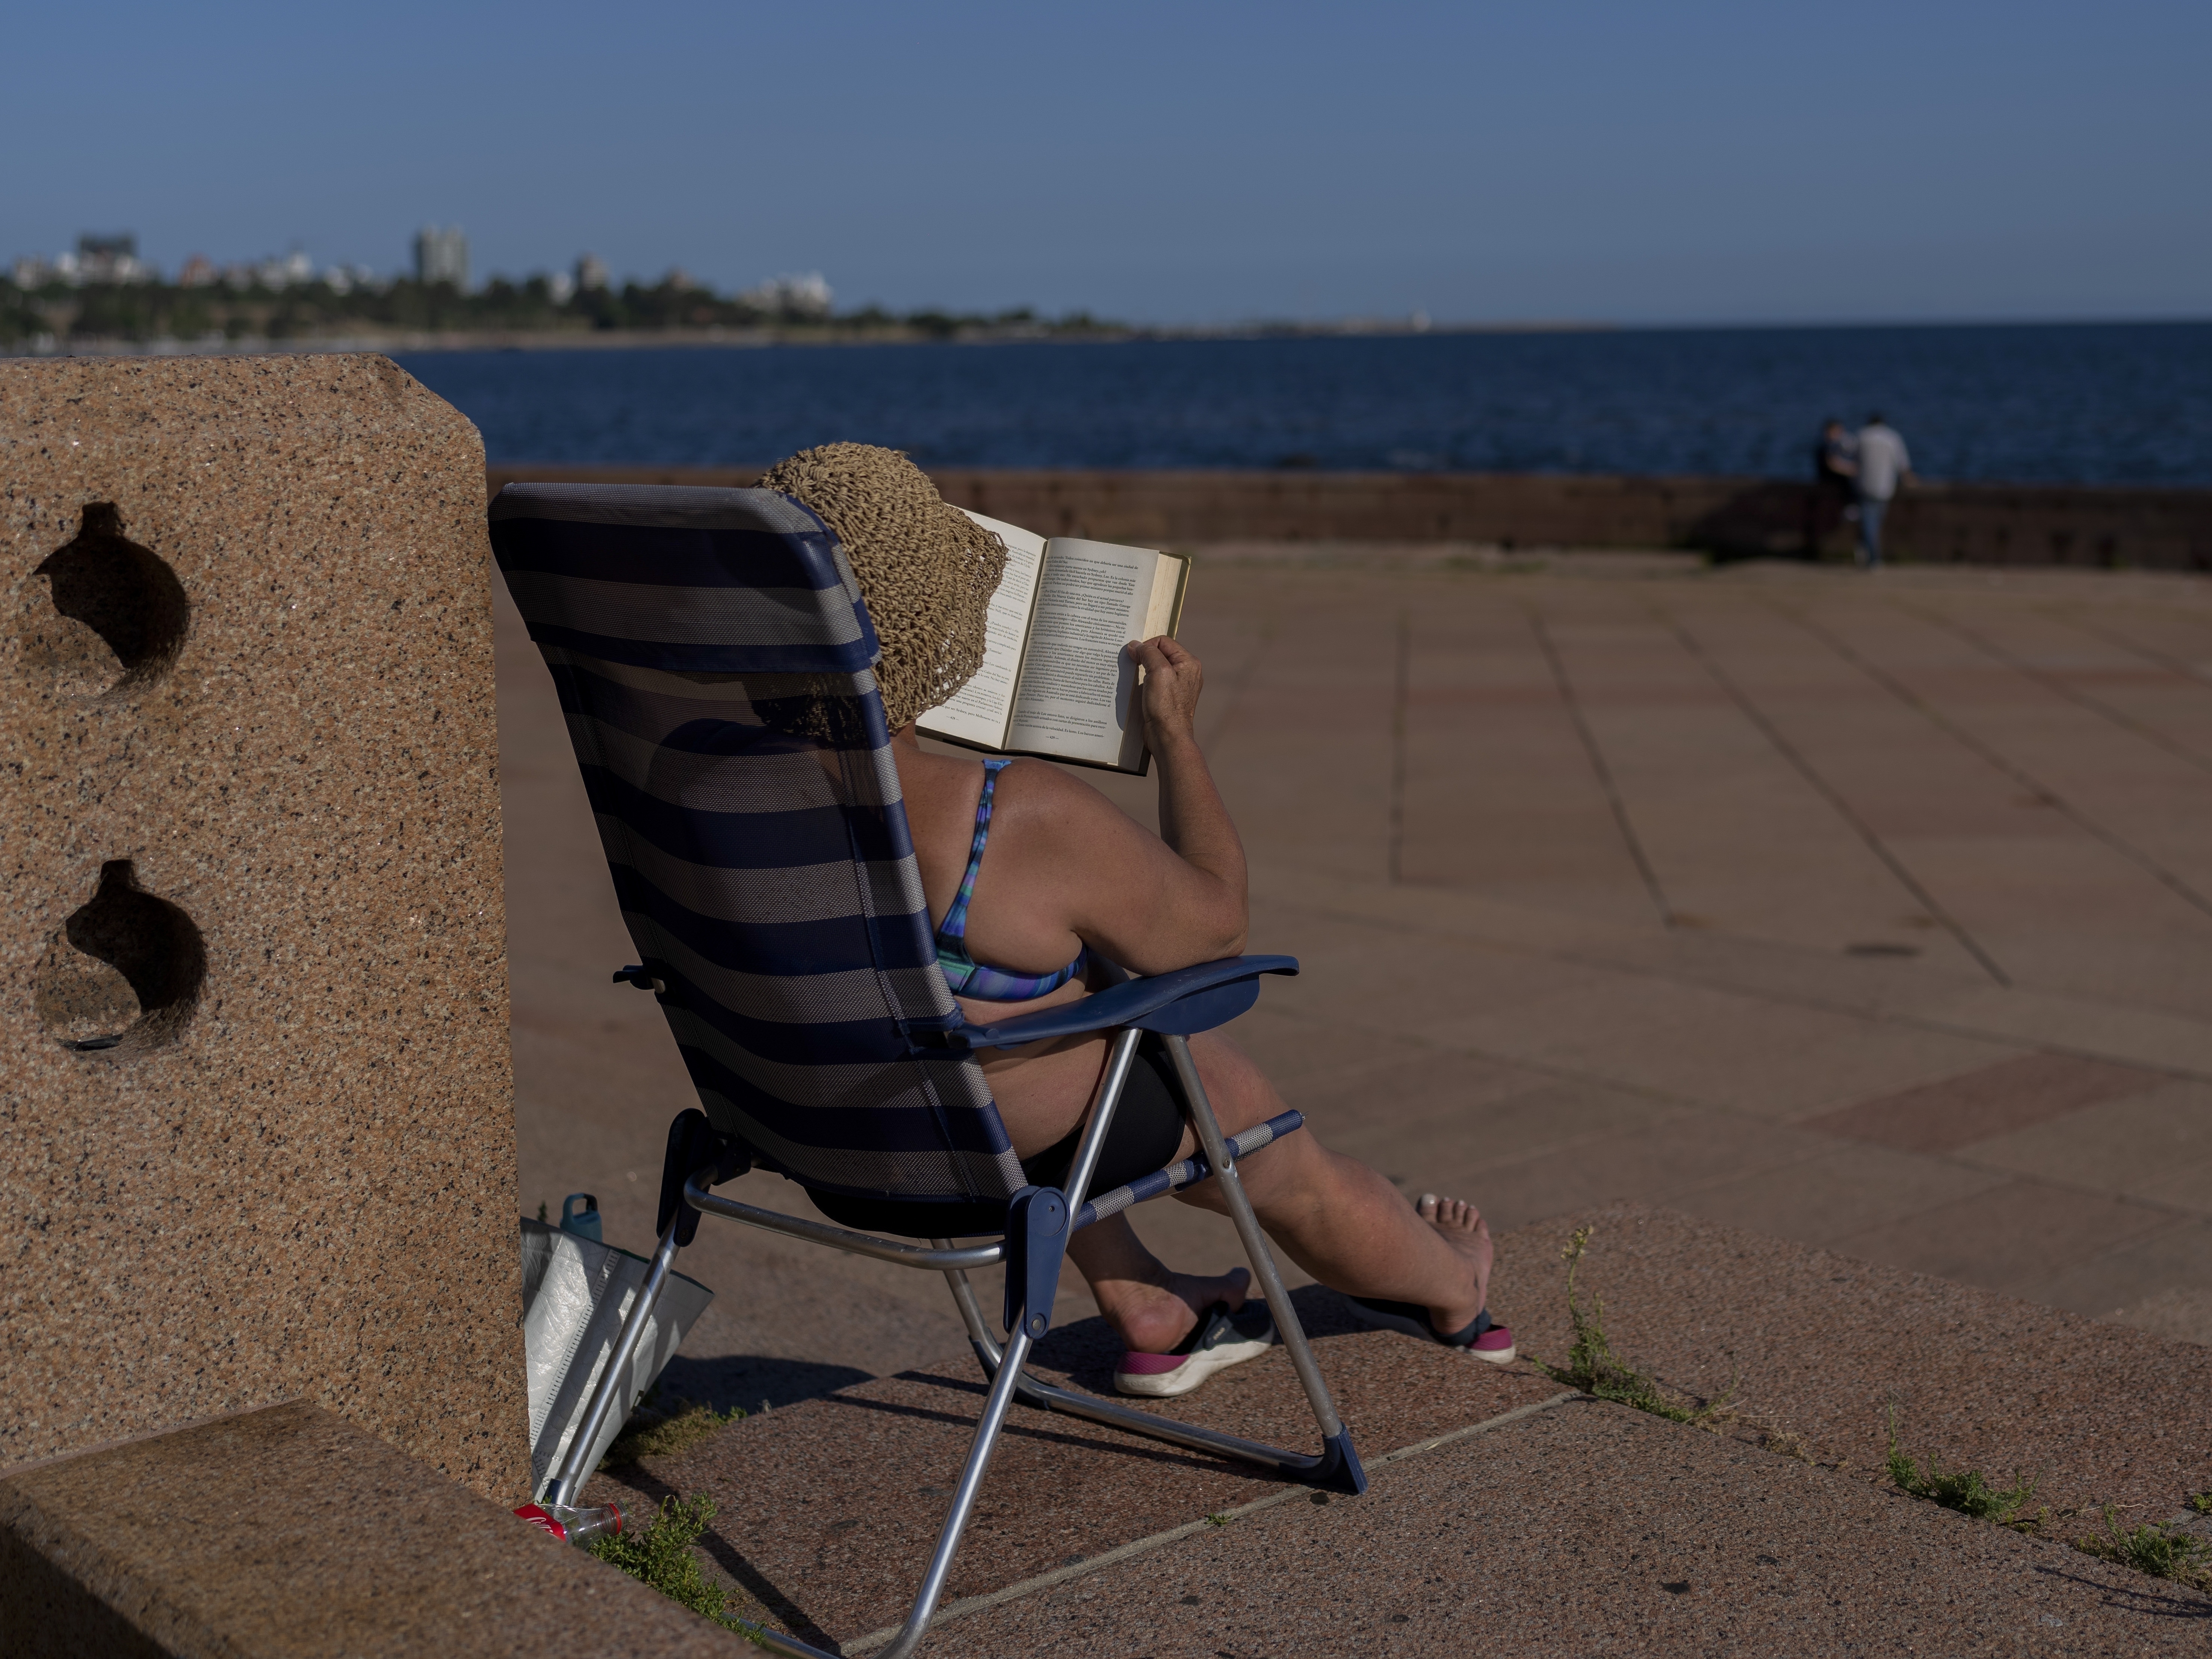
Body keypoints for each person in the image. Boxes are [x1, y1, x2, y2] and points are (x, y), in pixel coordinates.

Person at [760, 442, 1513, 1399]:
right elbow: (1214, 925)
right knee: (1263, 1140)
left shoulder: (701, 777)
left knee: (1027, 1007)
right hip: (986, 1132)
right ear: (923, 621)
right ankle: (1453, 1283)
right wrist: (1175, 736)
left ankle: (1149, 1304)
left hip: (810, 1118)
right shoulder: (1010, 812)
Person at [1852, 413, 1914, 568]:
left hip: (1864, 485)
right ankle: (1873, 557)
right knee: (1875, 522)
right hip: (1885, 487)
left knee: (1868, 522)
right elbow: (1903, 465)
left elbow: (1853, 461)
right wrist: (1909, 480)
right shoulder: (1893, 437)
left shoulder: (1862, 435)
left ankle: (1868, 552)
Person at [1806, 418, 1857, 558]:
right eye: (1837, 431)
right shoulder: (1825, 447)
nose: (1840, 434)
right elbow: (1833, 465)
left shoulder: (1829, 446)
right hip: (1828, 484)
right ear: (1830, 432)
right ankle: (1851, 509)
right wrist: (1851, 470)